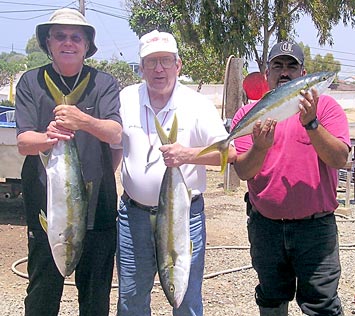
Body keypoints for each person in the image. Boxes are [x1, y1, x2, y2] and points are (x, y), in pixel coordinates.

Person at [116, 29, 237, 316]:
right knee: (131, 297)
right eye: (152, 61)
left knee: (185, 298)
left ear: (178, 65)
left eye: (166, 61)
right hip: (133, 215)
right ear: (141, 67)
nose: (159, 69)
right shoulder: (125, 98)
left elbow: (229, 153)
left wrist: (188, 155)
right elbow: (110, 143)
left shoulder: (197, 105)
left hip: (185, 217)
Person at [15, 8, 122, 316]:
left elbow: (114, 131)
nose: (68, 43)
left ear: (87, 45)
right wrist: (50, 137)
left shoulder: (104, 83)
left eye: (76, 37)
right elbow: (23, 143)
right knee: (42, 289)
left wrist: (82, 120)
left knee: (95, 292)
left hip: (98, 204)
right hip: (46, 203)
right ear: (48, 43)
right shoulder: (30, 82)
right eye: (60, 36)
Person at [232, 41, 350, 316]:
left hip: (315, 229)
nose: (284, 72)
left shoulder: (327, 108)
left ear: (303, 73)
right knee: (271, 300)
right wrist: (260, 147)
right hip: (266, 228)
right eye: (278, 65)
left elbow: (339, 159)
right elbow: (243, 172)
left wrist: (312, 124)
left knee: (322, 304)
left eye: (291, 66)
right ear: (267, 73)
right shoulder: (248, 115)